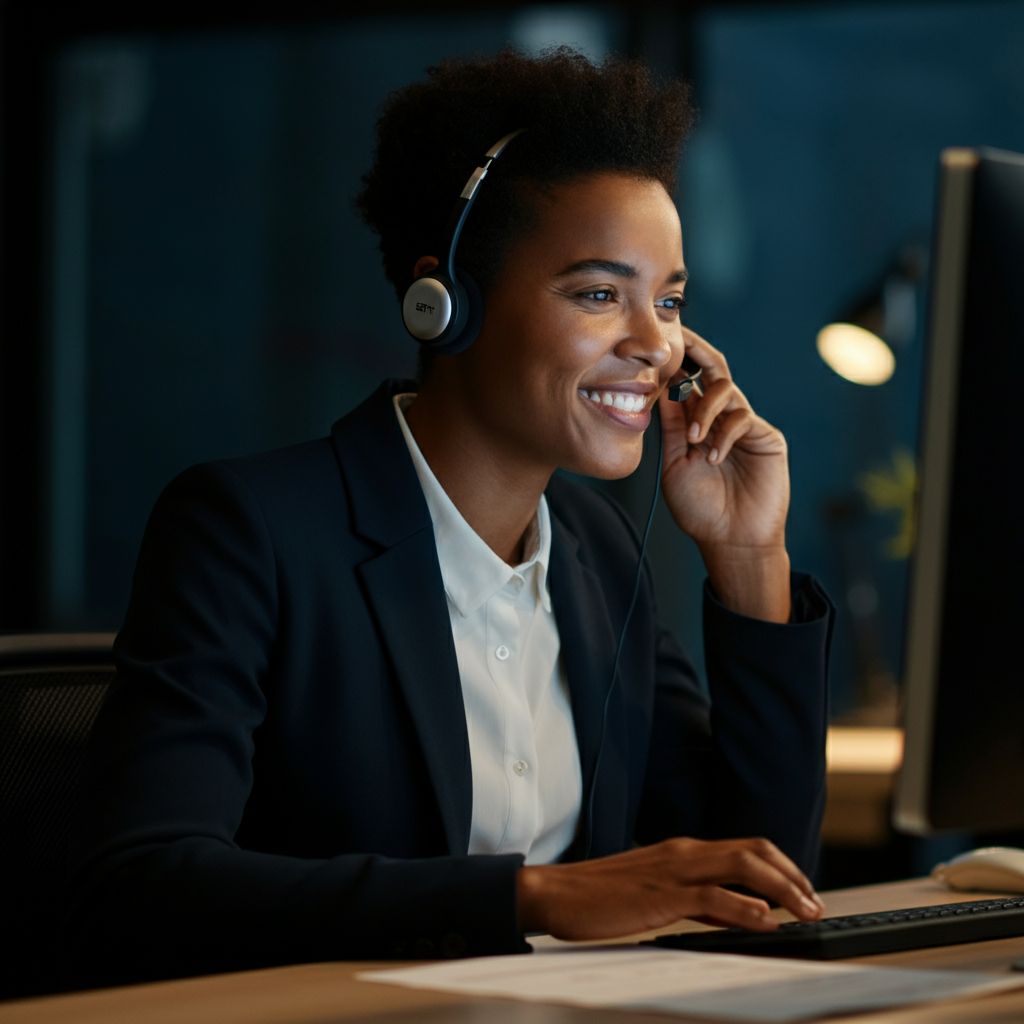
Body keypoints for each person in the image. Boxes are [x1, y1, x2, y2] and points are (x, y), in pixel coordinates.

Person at [63, 48, 833, 989]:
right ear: (446, 301)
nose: (658, 346)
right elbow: (138, 888)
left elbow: (760, 881)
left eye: (668, 301)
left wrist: (749, 556)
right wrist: (532, 898)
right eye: (600, 294)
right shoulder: (249, 530)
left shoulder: (594, 554)